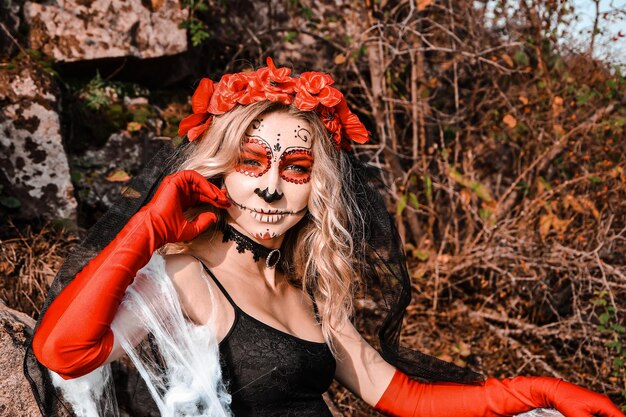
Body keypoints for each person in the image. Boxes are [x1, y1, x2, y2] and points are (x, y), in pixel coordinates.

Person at [27, 57, 624, 417]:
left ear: (320, 188)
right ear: (219, 170)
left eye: (295, 170)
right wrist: (151, 227)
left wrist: (534, 391)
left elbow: (405, 398)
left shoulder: (308, 291)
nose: (268, 189)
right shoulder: (184, 276)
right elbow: (63, 354)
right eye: (251, 162)